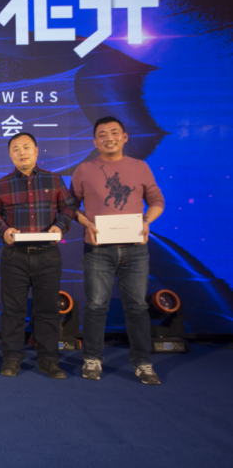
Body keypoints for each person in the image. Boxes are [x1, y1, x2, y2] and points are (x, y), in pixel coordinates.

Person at [70, 116, 165, 385]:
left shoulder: (140, 167)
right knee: (96, 306)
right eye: (102, 134)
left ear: (125, 137)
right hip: (97, 249)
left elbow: (157, 201)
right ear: (94, 141)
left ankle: (142, 363)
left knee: (137, 307)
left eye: (114, 133)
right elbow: (69, 206)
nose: (108, 138)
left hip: (135, 249)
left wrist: (147, 222)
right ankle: (92, 358)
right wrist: (86, 222)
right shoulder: (84, 170)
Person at [0, 132, 77, 379]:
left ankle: (48, 360)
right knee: (12, 311)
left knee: (47, 310)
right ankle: (11, 359)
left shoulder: (54, 179)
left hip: (47, 255)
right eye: (16, 149)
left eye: (26, 147)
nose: (21, 152)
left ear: (36, 151)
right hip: (14, 257)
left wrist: (60, 225)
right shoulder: (2, 184)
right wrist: (4, 230)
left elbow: (69, 206)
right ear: (10, 155)